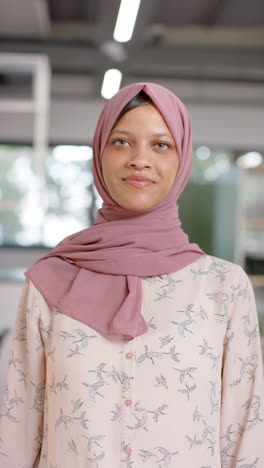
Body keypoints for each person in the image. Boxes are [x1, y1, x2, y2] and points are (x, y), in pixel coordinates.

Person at [0, 82, 263, 468]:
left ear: (182, 159)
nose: (140, 159)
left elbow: (245, 436)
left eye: (161, 145)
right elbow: (17, 432)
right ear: (99, 153)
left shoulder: (223, 287)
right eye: (122, 142)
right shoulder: (49, 283)